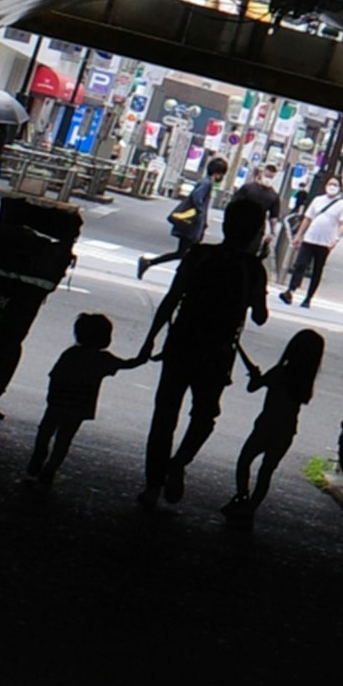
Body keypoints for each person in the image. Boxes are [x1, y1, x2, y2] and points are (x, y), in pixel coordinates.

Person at [137, 183, 273, 508]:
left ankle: (153, 484)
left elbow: (172, 299)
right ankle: (179, 462)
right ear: (256, 233)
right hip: (217, 353)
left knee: (165, 414)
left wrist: (149, 341)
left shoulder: (200, 255)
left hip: (181, 342)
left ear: (225, 225)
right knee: (205, 415)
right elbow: (260, 317)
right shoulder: (253, 269)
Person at [27, 311, 146, 484]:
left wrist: (52, 398)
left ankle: (39, 453)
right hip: (80, 406)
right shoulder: (103, 359)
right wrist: (143, 356)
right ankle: (50, 468)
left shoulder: (70, 354)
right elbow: (128, 364)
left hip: (58, 402)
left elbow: (55, 376)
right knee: (64, 439)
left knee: (45, 431)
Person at [224, 327, 325, 522]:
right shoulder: (304, 383)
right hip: (286, 432)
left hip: (265, 426)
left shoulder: (279, 372)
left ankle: (242, 496)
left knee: (245, 460)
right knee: (266, 471)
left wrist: (255, 375)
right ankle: (250, 508)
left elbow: (253, 387)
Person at [136, 155, 224, 283]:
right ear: (218, 173)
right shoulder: (207, 183)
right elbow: (197, 198)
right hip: (191, 225)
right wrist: (200, 214)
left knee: (185, 254)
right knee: (188, 254)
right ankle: (180, 278)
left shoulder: (205, 181)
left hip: (191, 225)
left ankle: (151, 264)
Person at [282, 182, 343, 306]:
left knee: (317, 269)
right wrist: (299, 234)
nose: (332, 187)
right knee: (300, 265)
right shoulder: (317, 200)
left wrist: (336, 239)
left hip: (325, 242)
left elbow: (342, 223)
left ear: (339, 188)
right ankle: (290, 290)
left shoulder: (341, 205)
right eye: (330, 184)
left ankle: (308, 297)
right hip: (310, 238)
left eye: (335, 185)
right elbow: (307, 218)